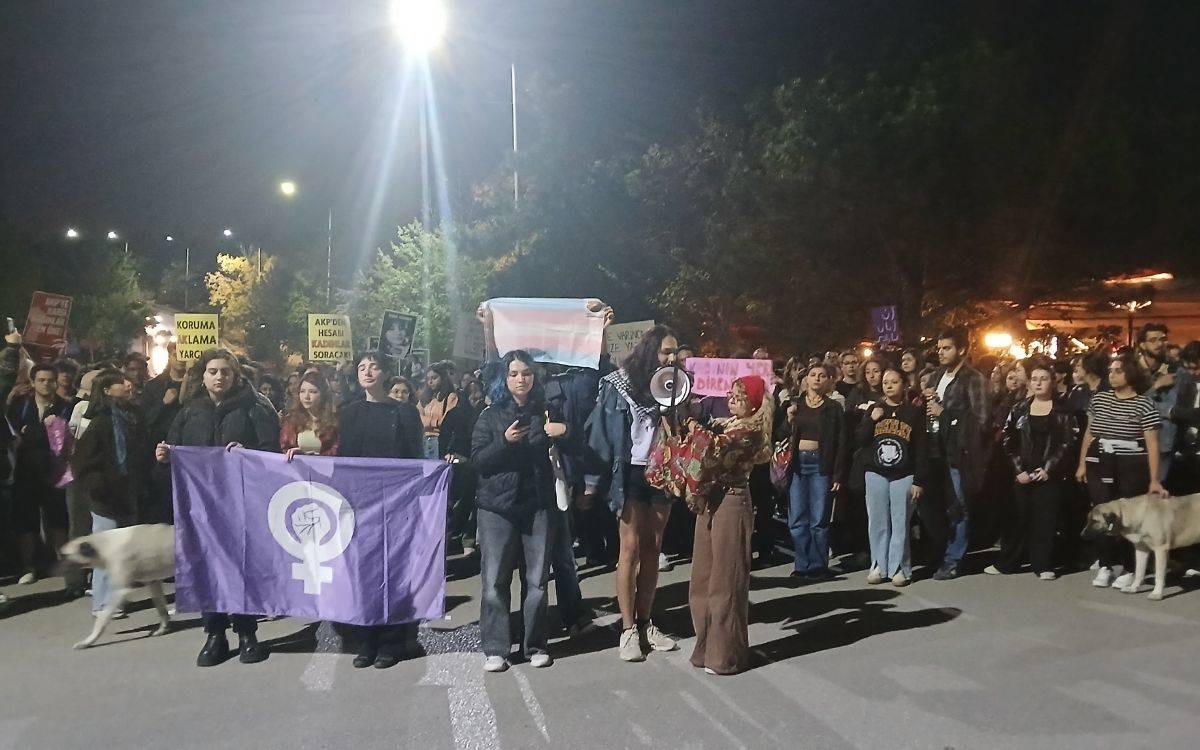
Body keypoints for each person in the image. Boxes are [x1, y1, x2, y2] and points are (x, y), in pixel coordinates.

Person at [156, 348, 280, 667]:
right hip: (201, 506)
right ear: (204, 375)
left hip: (241, 501)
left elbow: (271, 452)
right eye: (213, 371)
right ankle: (215, 633)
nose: (219, 376)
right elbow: (175, 451)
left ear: (236, 375)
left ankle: (247, 633)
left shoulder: (255, 408)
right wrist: (164, 456)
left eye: (225, 371)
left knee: (240, 565)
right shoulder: (189, 411)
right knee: (206, 565)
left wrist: (248, 452)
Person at [583, 325, 681, 662]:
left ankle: (645, 622)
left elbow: (679, 435)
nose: (672, 357)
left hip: (661, 472)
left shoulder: (674, 388)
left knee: (654, 548)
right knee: (630, 548)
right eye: (666, 351)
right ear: (651, 349)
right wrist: (592, 483)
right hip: (629, 472)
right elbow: (600, 436)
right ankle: (627, 631)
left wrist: (675, 416)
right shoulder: (618, 384)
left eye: (675, 352)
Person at [472, 350, 566, 672]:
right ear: (505, 378)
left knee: (537, 580)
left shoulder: (547, 412)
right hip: (497, 507)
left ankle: (535, 644)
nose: (520, 379)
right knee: (495, 580)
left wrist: (564, 432)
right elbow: (479, 461)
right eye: (514, 373)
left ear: (533, 377)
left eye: (526, 373)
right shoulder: (490, 415)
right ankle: (496, 648)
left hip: (538, 505)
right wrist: (505, 440)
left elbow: (573, 445)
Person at [336, 350, 425, 668]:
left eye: (374, 367)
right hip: (360, 504)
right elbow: (342, 458)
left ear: (386, 374)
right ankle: (367, 640)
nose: (368, 371)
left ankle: (392, 641)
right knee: (363, 573)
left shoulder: (405, 413)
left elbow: (415, 457)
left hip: (396, 503)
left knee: (394, 572)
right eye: (362, 367)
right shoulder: (348, 412)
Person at [682, 375, 773, 675]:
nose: (731, 397)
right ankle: (706, 648)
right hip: (711, 500)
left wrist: (694, 427)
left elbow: (715, 449)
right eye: (731, 392)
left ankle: (726, 656)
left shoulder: (751, 432)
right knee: (702, 580)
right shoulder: (729, 423)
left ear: (754, 402)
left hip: (733, 501)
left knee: (726, 581)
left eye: (739, 394)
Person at [1076, 351, 1164, 589]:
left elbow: (1152, 443)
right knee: (1103, 512)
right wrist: (1082, 463)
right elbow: (1089, 433)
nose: (1112, 376)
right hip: (1100, 460)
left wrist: (1154, 479)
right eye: (1110, 371)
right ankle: (1105, 564)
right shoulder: (1100, 399)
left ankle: (1129, 566)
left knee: (1127, 515)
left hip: (1131, 464)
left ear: (1131, 374)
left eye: (1119, 371)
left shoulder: (1144, 404)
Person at [71, 370, 152, 614]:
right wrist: (98, 485)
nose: (127, 384)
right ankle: (103, 602)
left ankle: (115, 597)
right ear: (107, 390)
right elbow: (83, 461)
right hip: (105, 496)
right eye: (120, 382)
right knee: (107, 550)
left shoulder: (131, 416)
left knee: (122, 549)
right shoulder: (101, 421)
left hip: (126, 493)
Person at [986, 361, 1074, 580]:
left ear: (1052, 382)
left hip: (1049, 474)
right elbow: (1008, 440)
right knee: (1016, 519)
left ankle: (1043, 564)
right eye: (1034, 379)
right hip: (1022, 472)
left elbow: (1067, 442)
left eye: (1043, 379)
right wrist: (1017, 470)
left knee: (1045, 521)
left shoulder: (1063, 410)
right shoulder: (1019, 408)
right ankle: (1008, 562)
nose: (1038, 383)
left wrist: (1049, 469)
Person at [924, 328, 988, 580]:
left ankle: (954, 559)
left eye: (946, 348)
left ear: (961, 349)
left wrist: (946, 415)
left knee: (958, 506)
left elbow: (981, 421)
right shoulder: (937, 375)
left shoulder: (974, 379)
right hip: (933, 448)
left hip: (958, 453)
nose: (941, 353)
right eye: (939, 348)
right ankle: (938, 550)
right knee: (933, 506)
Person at [858, 366, 928, 587]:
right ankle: (878, 565)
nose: (888, 385)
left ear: (904, 384)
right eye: (885, 382)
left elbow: (921, 448)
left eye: (894, 381)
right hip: (876, 472)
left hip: (904, 474)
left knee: (900, 522)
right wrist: (871, 419)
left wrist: (919, 480)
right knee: (877, 521)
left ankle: (900, 567)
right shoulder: (875, 409)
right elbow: (860, 439)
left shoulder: (913, 413)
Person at [779, 362, 848, 580]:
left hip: (820, 464)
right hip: (798, 465)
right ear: (805, 379)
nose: (817, 378)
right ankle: (802, 564)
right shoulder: (796, 405)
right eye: (813, 375)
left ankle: (818, 565)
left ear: (829, 380)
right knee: (797, 518)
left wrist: (838, 474)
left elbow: (841, 442)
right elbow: (779, 434)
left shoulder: (833, 408)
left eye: (822, 375)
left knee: (819, 519)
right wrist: (789, 420)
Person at [7, 362, 73, 584]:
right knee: (26, 522)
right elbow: (14, 438)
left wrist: (33, 433)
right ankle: (29, 567)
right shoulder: (20, 406)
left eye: (50, 380)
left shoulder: (65, 407)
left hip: (56, 473)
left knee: (58, 521)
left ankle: (64, 564)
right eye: (41, 380)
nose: (46, 384)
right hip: (25, 473)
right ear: (33, 382)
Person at [280, 372, 339, 458]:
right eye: (302, 391)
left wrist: (314, 457)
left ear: (323, 395)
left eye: (312, 392)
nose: (306, 396)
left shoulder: (334, 422)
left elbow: (338, 451)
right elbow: (284, 449)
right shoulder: (291, 420)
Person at [418, 362, 459, 460]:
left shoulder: (450, 397)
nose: (430, 382)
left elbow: (447, 421)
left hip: (439, 440)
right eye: (428, 379)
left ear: (443, 378)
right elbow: (418, 416)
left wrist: (430, 422)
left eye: (434, 378)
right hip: (423, 440)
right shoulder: (424, 399)